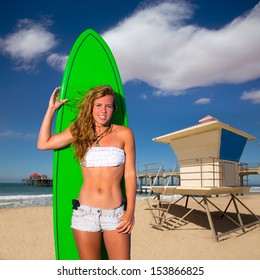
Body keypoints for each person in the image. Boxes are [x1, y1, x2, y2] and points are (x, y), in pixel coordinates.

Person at [38, 85, 136, 260]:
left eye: (108, 106)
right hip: (84, 214)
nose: (103, 110)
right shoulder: (80, 131)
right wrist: (51, 109)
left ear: (114, 109)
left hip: (115, 214)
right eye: (98, 105)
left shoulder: (124, 134)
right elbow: (43, 143)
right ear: (91, 107)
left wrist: (130, 212)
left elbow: (130, 174)